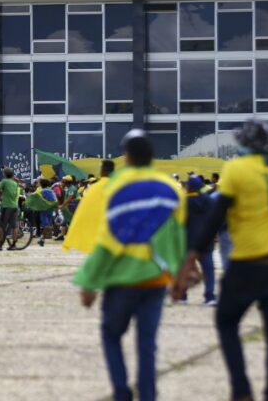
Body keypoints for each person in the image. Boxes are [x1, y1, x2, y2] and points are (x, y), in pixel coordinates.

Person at [176, 61, 268, 401]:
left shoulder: (236, 170)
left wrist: (191, 257)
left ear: (243, 143)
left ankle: (241, 389)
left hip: (247, 264)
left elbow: (215, 216)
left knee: (226, 323)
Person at [74, 130, 186, 401]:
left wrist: (89, 282)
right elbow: (177, 236)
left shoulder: (116, 186)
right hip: (156, 280)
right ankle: (148, 396)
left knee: (111, 336)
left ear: (127, 156)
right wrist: (179, 275)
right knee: (147, 344)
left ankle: (122, 393)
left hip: (122, 279)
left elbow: (108, 238)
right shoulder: (172, 189)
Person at [183, 175, 217, 306]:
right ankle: (210, 296)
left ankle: (183, 296)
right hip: (206, 240)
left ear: (189, 186)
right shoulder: (210, 201)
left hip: (188, 240)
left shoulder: (183, 202)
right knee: (209, 270)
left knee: (185, 268)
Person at [0, 168, 19, 249]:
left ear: (4, 174)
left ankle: (0, 245)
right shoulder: (15, 183)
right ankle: (14, 245)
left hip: (6, 206)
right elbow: (15, 194)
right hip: (14, 206)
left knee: (1, 225)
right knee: (14, 226)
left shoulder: (4, 181)